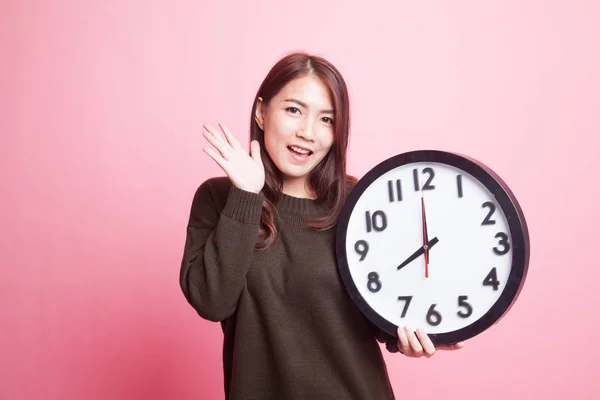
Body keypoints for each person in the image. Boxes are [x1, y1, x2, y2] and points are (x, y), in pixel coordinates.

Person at [179, 51, 464, 400]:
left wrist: (408, 337)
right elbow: (212, 302)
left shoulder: (358, 201)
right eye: (293, 110)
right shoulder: (220, 198)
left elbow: (381, 306)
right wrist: (246, 195)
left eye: (327, 120)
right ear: (261, 112)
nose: (307, 133)